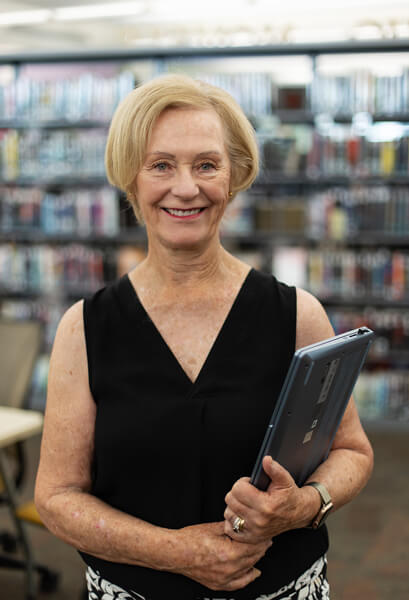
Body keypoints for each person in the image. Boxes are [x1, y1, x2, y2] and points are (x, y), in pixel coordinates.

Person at [34, 74, 374, 600]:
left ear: (235, 176)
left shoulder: (297, 315)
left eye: (207, 165)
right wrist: (180, 553)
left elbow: (353, 451)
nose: (186, 187)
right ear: (131, 178)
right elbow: (57, 497)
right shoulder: (84, 329)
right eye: (161, 165)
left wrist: (303, 506)